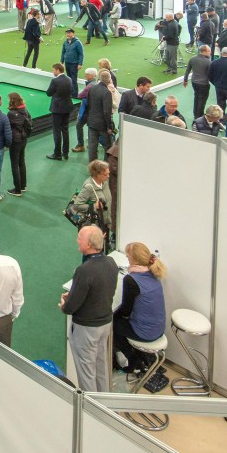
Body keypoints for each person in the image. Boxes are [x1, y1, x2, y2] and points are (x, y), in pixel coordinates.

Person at [58, 225, 118, 393]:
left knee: (86, 374)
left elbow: (71, 306)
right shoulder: (111, 263)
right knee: (101, 368)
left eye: (80, 238)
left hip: (87, 329)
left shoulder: (84, 270)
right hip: (105, 324)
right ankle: (105, 404)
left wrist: (65, 305)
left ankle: (91, 412)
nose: (77, 241)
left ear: (89, 244)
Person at [113, 242, 167, 373]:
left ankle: (133, 359)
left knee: (112, 324)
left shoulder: (130, 280)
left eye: (128, 257)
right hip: (159, 329)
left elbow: (126, 310)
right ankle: (142, 357)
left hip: (145, 333)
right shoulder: (154, 273)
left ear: (133, 259)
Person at [71, 160, 112, 232]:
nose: (108, 176)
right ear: (97, 174)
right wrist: (94, 206)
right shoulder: (89, 187)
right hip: (95, 227)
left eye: (108, 173)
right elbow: (77, 204)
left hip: (106, 223)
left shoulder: (105, 182)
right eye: (105, 174)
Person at [46, 63, 73, 161]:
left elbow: (48, 93)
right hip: (67, 108)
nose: (53, 72)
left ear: (58, 70)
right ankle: (65, 153)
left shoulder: (55, 81)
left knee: (57, 131)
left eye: (53, 70)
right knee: (65, 130)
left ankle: (57, 154)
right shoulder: (69, 79)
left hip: (57, 109)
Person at [86, 70, 115, 162]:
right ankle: (106, 166)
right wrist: (109, 126)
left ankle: (93, 167)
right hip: (102, 125)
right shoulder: (107, 93)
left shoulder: (91, 88)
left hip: (91, 122)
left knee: (92, 146)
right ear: (109, 80)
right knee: (108, 146)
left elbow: (88, 105)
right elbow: (107, 112)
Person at [6, 92, 31, 196]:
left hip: (15, 142)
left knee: (14, 164)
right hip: (23, 140)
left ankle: (17, 190)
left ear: (12, 100)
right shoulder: (25, 110)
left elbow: (7, 128)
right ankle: (23, 186)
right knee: (21, 162)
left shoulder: (11, 114)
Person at [72, 68, 98, 154]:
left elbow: (80, 95)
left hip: (87, 110)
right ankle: (92, 145)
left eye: (86, 74)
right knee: (91, 128)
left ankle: (80, 145)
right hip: (93, 110)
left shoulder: (90, 86)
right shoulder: (96, 83)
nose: (85, 76)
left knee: (79, 125)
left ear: (91, 75)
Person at [183, 45, 212, 119]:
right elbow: (210, 74)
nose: (210, 53)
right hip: (204, 84)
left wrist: (185, 80)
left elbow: (187, 71)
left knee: (196, 97)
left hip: (194, 82)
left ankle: (195, 113)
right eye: (209, 51)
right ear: (204, 51)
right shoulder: (208, 62)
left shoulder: (192, 59)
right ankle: (199, 116)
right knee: (202, 100)